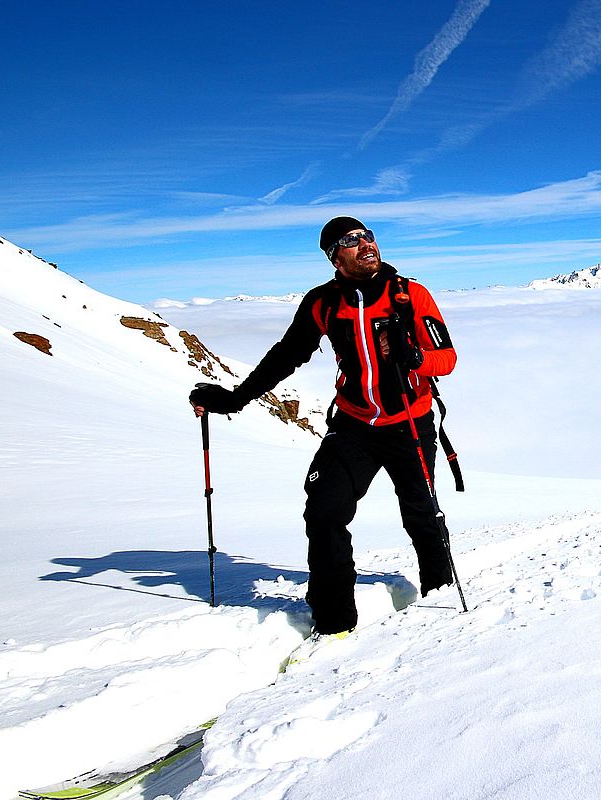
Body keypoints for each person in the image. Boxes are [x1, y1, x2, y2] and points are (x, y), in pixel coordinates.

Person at [189, 216, 458, 635]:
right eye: (351, 241)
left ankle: (441, 599)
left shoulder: (410, 295)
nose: (365, 243)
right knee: (324, 511)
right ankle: (333, 624)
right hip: (354, 426)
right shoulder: (323, 302)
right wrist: (234, 400)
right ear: (335, 257)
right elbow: (287, 355)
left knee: (421, 515)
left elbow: (447, 358)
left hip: (410, 421)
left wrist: (415, 358)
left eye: (368, 236)